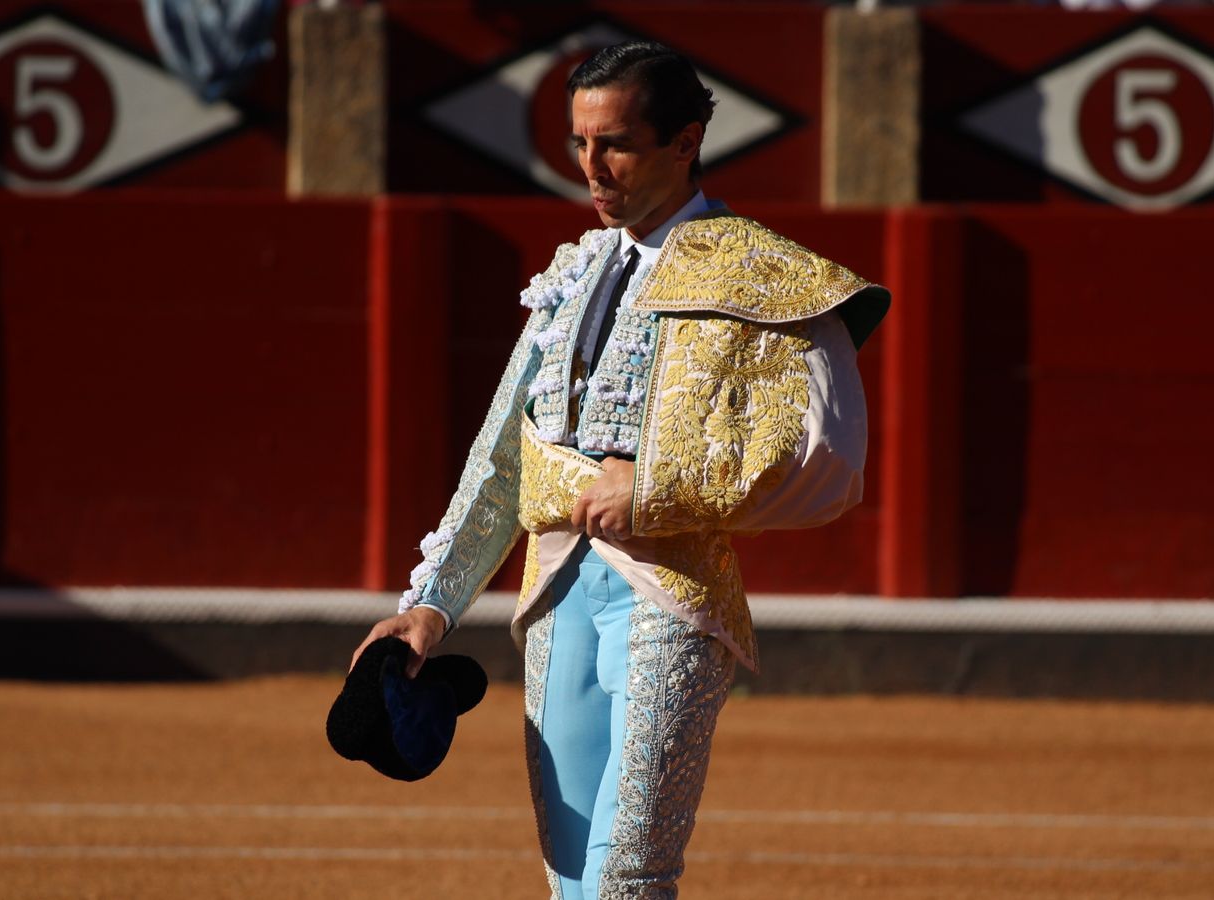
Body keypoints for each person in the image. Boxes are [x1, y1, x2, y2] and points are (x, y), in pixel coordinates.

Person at [351, 40, 888, 899]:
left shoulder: (761, 272)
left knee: (630, 875)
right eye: (579, 144)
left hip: (669, 595)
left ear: (686, 140)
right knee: (571, 876)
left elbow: (825, 450)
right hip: (556, 590)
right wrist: (431, 608)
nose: (593, 169)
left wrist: (660, 486)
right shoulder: (571, 273)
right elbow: (501, 462)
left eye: (618, 145)